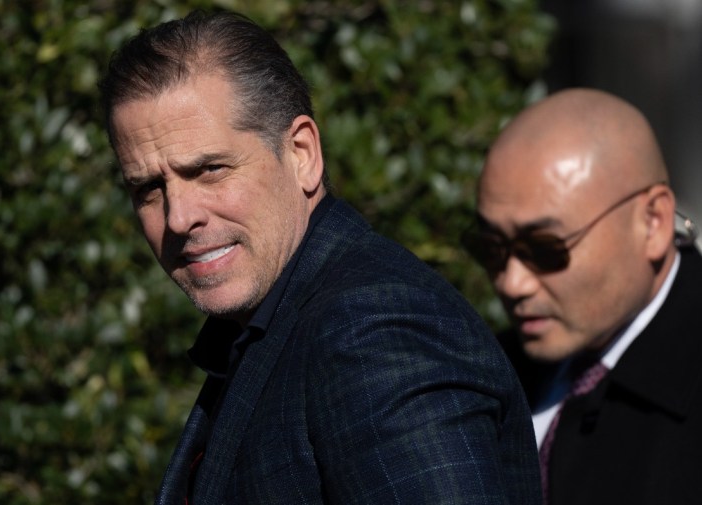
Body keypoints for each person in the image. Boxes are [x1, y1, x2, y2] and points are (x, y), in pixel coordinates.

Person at [100, 9, 540, 504]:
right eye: (148, 189)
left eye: (210, 170)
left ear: (302, 153)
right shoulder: (273, 324)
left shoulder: (374, 333)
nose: (179, 216)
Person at [464, 87, 702, 505]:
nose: (512, 282)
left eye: (545, 249)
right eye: (492, 249)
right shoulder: (483, 373)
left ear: (653, 222)